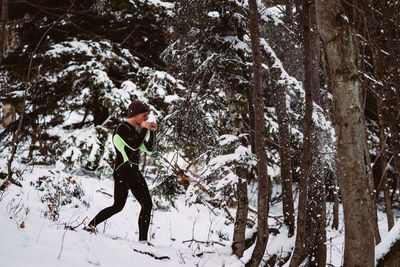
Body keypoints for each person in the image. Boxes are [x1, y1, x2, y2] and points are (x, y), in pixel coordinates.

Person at [84, 100, 157, 245]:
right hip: (124, 171)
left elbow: (149, 148)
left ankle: (142, 241)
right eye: (144, 115)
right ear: (135, 114)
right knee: (119, 206)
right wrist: (143, 128)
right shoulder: (121, 129)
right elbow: (135, 144)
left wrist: (152, 132)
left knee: (142, 204)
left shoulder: (134, 131)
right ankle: (91, 225)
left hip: (132, 171)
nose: (146, 118)